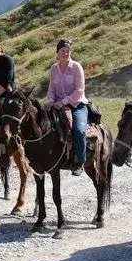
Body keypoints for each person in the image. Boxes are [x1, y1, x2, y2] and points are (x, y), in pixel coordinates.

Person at [47, 39, 89, 176]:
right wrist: (50, 100)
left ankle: (80, 162)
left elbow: (79, 91)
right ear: (57, 53)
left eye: (67, 51)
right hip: (58, 105)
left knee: (79, 130)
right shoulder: (54, 68)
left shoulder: (76, 67)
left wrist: (63, 102)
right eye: (62, 51)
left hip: (77, 105)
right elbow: (51, 89)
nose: (65, 53)